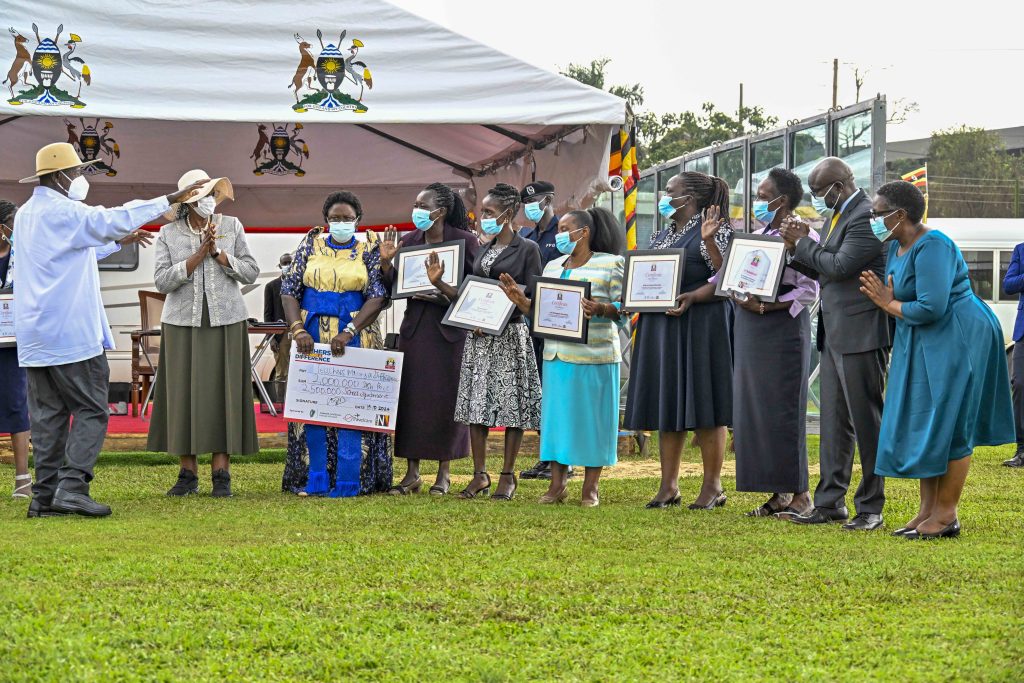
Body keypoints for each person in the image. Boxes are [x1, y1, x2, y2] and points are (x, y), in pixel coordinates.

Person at [13, 142, 203, 518]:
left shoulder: (26, 214)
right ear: (61, 176)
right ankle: (73, 487)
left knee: (48, 416)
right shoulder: (66, 211)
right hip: (70, 332)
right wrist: (168, 198)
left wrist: (117, 242)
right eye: (78, 172)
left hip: (35, 334)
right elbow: (109, 218)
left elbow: (72, 249)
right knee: (91, 409)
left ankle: (44, 496)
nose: (80, 178)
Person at [859, 181, 1014, 539]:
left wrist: (886, 303)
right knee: (928, 421)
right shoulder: (897, 247)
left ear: (900, 215)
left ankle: (946, 515)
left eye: (878, 213)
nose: (874, 220)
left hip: (958, 335)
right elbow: (906, 299)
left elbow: (932, 306)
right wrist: (892, 302)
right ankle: (925, 512)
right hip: (922, 337)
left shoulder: (934, 245)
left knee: (951, 419)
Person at [780, 157, 890, 531]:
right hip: (836, 332)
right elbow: (825, 268)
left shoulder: (864, 215)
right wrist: (795, 247)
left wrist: (803, 245)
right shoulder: (836, 216)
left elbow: (842, 265)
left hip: (862, 333)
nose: (817, 198)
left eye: (820, 191)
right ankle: (829, 502)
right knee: (834, 423)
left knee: (866, 423)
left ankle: (871, 507)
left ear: (840, 185)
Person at [500, 207, 625, 507]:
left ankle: (590, 488)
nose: (559, 235)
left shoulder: (611, 264)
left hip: (595, 356)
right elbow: (545, 312)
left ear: (583, 233)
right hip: (556, 355)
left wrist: (603, 309)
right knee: (557, 423)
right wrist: (524, 304)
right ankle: (557, 486)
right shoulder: (553, 266)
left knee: (592, 422)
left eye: (565, 229)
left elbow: (626, 309)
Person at [624, 171, 734, 510]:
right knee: (668, 402)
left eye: (669, 192)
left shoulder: (717, 228)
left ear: (690, 197)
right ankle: (668, 485)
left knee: (705, 404)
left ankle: (712, 486)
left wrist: (711, 245)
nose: (663, 197)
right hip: (662, 327)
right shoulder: (665, 232)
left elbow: (728, 277)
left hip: (701, 325)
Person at [426, 183, 542, 501]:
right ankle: (480, 475)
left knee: (512, 408)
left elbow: (531, 297)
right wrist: (441, 284)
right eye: (482, 212)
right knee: (477, 407)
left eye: (489, 212)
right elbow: (468, 297)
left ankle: (507, 476)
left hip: (509, 337)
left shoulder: (528, 249)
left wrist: (513, 303)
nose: (483, 218)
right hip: (478, 339)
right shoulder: (485, 248)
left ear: (508, 214)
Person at [148, 170, 260, 498]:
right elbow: (161, 282)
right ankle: (187, 473)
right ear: (187, 202)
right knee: (184, 394)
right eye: (200, 197)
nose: (208, 201)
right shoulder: (168, 234)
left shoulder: (232, 226)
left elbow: (252, 270)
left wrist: (219, 255)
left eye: (211, 194)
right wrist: (197, 255)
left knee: (223, 393)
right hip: (182, 322)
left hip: (227, 319)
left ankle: (221, 473)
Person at [280, 191, 392, 497]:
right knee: (313, 406)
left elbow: (379, 296)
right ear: (325, 220)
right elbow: (289, 289)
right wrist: (297, 328)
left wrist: (350, 331)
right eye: (334, 218)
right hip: (311, 337)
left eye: (346, 218)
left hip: (356, 335)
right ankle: (314, 477)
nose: (340, 223)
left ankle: (350, 479)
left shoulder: (370, 246)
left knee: (352, 406)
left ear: (358, 219)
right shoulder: (310, 243)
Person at [725, 169, 819, 518]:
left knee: (783, 411)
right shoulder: (758, 235)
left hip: (782, 329)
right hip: (751, 326)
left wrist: (766, 305)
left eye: (764, 197)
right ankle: (778, 492)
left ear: (783, 200)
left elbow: (809, 290)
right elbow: (726, 278)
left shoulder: (802, 234)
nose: (758, 203)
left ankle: (801, 494)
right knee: (757, 410)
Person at [379, 183, 479, 495]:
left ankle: (444, 474)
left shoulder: (465, 241)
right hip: (415, 331)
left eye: (423, 205)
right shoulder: (408, 241)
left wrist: (442, 293)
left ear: (441, 211)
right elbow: (391, 288)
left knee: (445, 401)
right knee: (412, 402)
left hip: (449, 332)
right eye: (416, 204)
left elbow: (476, 291)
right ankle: (412, 473)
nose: (417, 210)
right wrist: (386, 262)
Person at [516, 180, 571, 482]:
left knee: (556, 390)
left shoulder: (562, 233)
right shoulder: (526, 235)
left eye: (535, 200)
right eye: (526, 202)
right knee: (539, 390)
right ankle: (546, 456)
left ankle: (564, 458)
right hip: (531, 318)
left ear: (549, 199)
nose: (530, 206)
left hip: (558, 319)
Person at [0, 200, 31, 500]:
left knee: (16, 404)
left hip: (13, 344)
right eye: (13, 225)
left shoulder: (23, 257)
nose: (16, 231)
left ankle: (23, 478)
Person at [1000, 242, 1024, 468]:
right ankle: (1022, 450)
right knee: (1019, 385)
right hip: (1023, 334)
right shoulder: (1021, 249)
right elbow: (1008, 285)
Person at [264, 252, 294, 403]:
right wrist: (271, 338)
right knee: (281, 372)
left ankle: (295, 404)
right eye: (285, 263)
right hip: (280, 334)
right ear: (280, 266)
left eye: (290, 262)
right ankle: (281, 404)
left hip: (299, 333)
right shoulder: (271, 286)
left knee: (298, 371)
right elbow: (268, 315)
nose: (288, 266)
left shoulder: (301, 285)